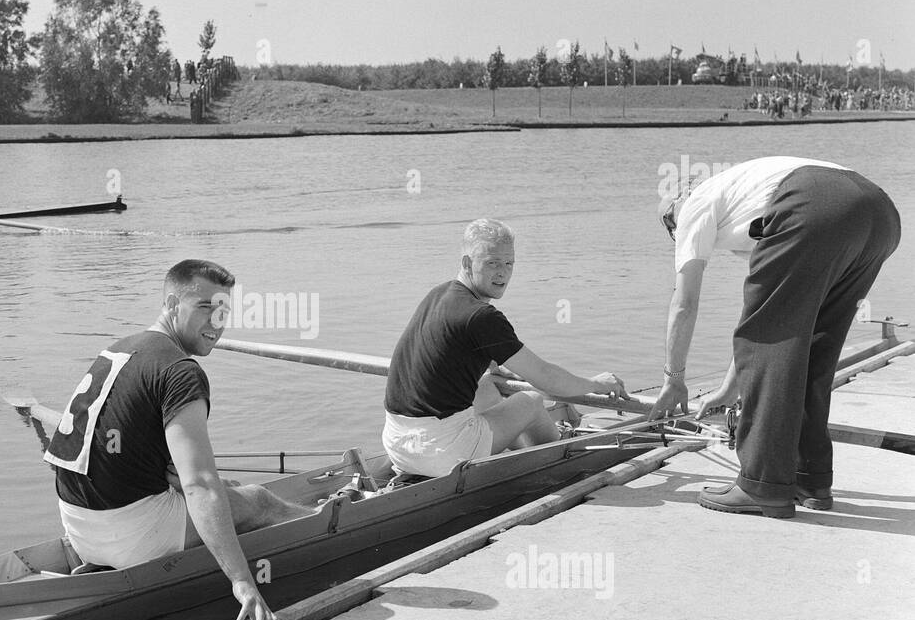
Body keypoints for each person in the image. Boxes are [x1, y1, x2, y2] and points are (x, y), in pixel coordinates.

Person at [45, 259, 315, 620]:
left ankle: (103, 558)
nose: (217, 322)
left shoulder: (119, 349)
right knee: (259, 499)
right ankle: (325, 518)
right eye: (205, 307)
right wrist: (243, 581)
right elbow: (199, 485)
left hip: (77, 527)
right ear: (172, 305)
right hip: (132, 534)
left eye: (223, 310)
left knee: (227, 486)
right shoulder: (180, 371)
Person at [652, 156, 901, 517]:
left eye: (668, 222)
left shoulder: (695, 202)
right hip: (878, 214)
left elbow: (684, 304)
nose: (674, 232)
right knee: (815, 342)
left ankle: (762, 485)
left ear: (680, 199)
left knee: (771, 338)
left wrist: (673, 379)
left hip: (814, 205)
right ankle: (809, 477)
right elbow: (772, 316)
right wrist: (729, 389)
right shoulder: (747, 203)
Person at [382, 219, 626, 478]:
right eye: (492, 263)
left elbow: (449, 347)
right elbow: (548, 379)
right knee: (531, 401)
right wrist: (598, 384)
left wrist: (493, 363)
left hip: (398, 444)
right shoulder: (482, 316)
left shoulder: (438, 294)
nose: (502, 273)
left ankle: (517, 454)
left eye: (509, 263)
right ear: (467, 263)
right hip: (443, 453)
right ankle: (561, 470)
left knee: (485, 384)